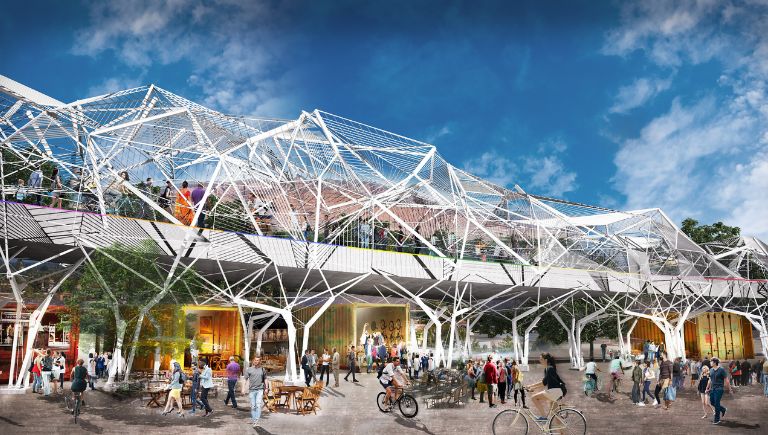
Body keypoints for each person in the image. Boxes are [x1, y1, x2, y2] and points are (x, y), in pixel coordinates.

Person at [528, 353, 566, 420]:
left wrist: (531, 387)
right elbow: (544, 382)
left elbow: (543, 383)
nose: (539, 360)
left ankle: (544, 417)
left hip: (554, 392)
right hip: (556, 392)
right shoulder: (547, 369)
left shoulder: (549, 369)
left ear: (545, 360)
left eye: (541, 359)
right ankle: (560, 429)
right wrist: (531, 386)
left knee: (534, 398)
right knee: (557, 419)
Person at [706, 358, 733, 425]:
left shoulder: (721, 370)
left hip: (719, 389)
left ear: (715, 362)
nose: (710, 363)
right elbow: (710, 380)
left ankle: (717, 419)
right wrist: (707, 388)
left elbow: (726, 380)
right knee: (712, 402)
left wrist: (730, 389)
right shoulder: (711, 370)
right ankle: (723, 409)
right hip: (712, 389)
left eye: (711, 361)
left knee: (717, 403)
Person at [245, 356, 268, 429]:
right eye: (255, 360)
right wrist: (243, 388)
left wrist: (266, 388)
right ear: (253, 361)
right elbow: (245, 379)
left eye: (258, 360)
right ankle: (254, 419)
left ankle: (256, 421)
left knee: (258, 405)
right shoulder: (249, 369)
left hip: (260, 390)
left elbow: (265, 379)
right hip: (252, 390)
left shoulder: (262, 369)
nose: (256, 361)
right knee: (253, 406)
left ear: (260, 361)